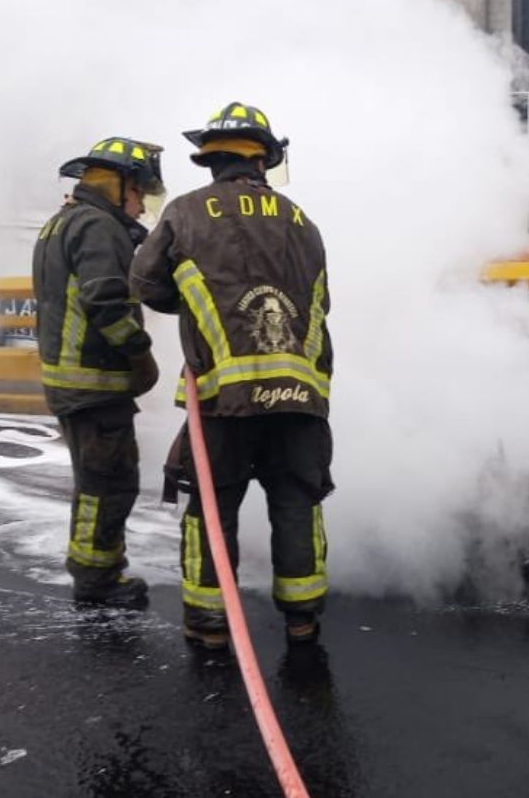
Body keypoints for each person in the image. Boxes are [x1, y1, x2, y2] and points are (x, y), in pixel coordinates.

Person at [131, 103, 334, 649]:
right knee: (296, 502)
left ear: (212, 160)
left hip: (223, 399)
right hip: (300, 398)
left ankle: (209, 625)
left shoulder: (185, 212)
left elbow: (145, 283)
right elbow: (322, 304)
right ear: (263, 160)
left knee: (213, 508)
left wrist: (199, 306)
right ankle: (303, 620)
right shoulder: (302, 221)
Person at [33, 137, 165, 607]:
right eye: (139, 192)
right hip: (95, 385)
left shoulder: (62, 221)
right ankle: (97, 580)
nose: (141, 206)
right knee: (108, 485)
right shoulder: (98, 226)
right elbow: (105, 300)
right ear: (118, 184)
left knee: (95, 482)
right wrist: (140, 355)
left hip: (71, 383)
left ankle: (95, 571)